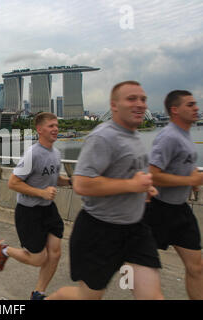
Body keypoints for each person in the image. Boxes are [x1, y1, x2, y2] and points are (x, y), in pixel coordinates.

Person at [46, 81, 163, 300]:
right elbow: (81, 183)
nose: (140, 104)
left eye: (143, 99)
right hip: (100, 232)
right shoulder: (103, 136)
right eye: (131, 99)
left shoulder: (135, 136)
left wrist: (144, 189)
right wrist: (132, 185)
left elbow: (129, 176)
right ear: (114, 105)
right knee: (87, 297)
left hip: (135, 229)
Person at [0, 112, 70, 300]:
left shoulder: (56, 153)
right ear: (39, 130)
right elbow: (13, 183)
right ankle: (5, 250)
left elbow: (53, 178)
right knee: (38, 259)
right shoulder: (32, 154)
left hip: (48, 209)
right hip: (29, 212)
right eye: (51, 126)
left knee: (55, 253)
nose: (55, 129)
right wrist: (42, 193)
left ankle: (38, 293)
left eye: (57, 125)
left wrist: (70, 181)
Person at [143, 90, 203, 300]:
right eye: (190, 105)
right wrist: (190, 181)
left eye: (195, 104)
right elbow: (153, 174)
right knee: (142, 266)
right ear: (175, 110)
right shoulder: (168, 136)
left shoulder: (184, 134)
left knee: (197, 267)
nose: (196, 108)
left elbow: (185, 164)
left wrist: (192, 178)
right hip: (159, 210)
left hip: (181, 210)